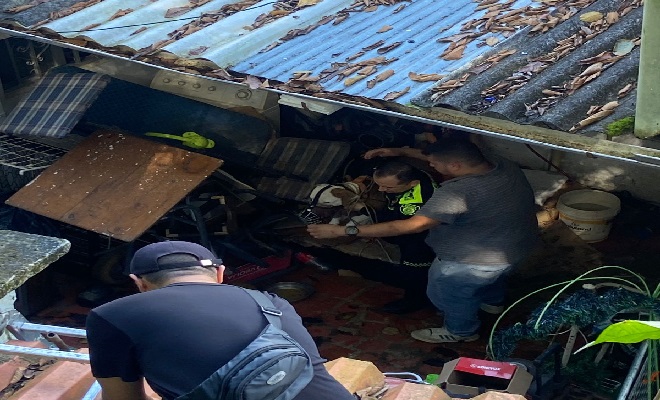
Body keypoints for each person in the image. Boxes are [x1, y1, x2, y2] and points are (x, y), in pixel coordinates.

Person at [308, 139, 538, 343]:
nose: (431, 166)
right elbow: (450, 155)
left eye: (435, 164)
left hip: (472, 261)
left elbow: (409, 225)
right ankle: (492, 303)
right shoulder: (502, 165)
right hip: (516, 245)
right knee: (492, 279)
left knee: (451, 294)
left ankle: (460, 331)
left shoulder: (457, 193)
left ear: (455, 166)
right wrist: (399, 151)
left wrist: (342, 231)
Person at [85, 241, 355, 400]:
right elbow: (310, 369)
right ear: (220, 273)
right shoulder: (272, 302)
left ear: (139, 283)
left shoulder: (110, 316)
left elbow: (123, 398)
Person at [366, 160, 437, 313]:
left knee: (415, 268)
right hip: (408, 229)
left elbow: (396, 228)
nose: (381, 189)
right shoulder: (416, 174)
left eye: (388, 187)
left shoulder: (413, 204)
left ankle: (414, 301)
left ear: (412, 184)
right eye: (379, 184)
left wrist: (371, 229)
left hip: (422, 238)